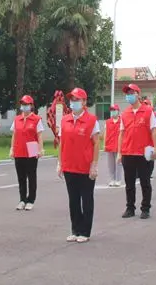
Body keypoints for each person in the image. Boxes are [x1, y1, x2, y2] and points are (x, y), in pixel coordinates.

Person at [58, 87, 101, 243]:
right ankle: (75, 230)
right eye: (72, 99)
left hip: (85, 167)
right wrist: (59, 163)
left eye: (77, 99)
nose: (73, 102)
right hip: (69, 166)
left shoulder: (92, 120)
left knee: (86, 199)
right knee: (73, 200)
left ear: (84, 102)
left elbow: (96, 143)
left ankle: (85, 231)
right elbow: (62, 143)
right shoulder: (65, 120)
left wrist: (94, 165)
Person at [117, 83, 156, 219]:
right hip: (128, 152)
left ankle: (145, 208)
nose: (129, 96)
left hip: (144, 153)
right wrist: (119, 153)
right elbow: (121, 133)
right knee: (129, 183)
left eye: (131, 93)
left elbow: (154, 131)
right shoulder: (125, 113)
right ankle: (130, 208)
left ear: (138, 94)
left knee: (145, 182)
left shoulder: (148, 111)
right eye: (127, 94)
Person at [10, 94, 44, 210]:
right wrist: (12, 148)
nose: (24, 106)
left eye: (26, 104)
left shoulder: (36, 119)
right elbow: (14, 135)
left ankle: (31, 200)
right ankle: (22, 199)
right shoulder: (17, 119)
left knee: (31, 176)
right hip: (19, 149)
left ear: (31, 105)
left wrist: (40, 149)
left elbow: (39, 135)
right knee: (21, 177)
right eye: (22, 104)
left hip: (32, 148)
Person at [103, 104, 123, 187]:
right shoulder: (108, 122)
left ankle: (118, 180)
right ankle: (112, 179)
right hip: (110, 145)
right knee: (111, 164)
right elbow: (105, 133)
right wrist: (104, 144)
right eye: (111, 110)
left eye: (114, 110)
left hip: (119, 145)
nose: (113, 112)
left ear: (118, 111)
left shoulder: (121, 121)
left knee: (118, 163)